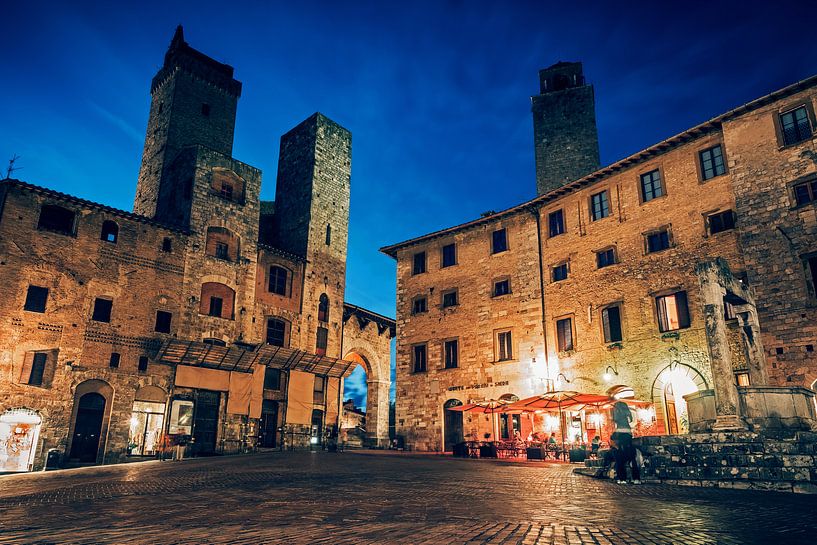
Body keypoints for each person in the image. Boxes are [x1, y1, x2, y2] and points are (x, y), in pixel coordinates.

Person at [611, 401, 640, 484]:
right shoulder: (628, 412)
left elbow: (615, 421)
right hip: (628, 433)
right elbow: (632, 422)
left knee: (619, 456)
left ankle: (622, 478)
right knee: (631, 456)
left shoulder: (617, 412)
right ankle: (636, 478)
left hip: (619, 433)